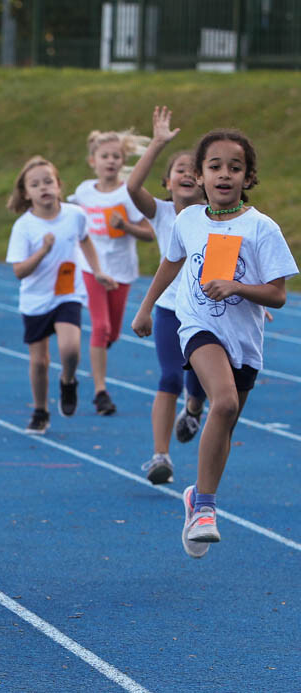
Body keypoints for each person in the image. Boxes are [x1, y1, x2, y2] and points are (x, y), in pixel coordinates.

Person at [132, 129, 297, 559]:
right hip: (197, 326)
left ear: (249, 177)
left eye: (235, 168)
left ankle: (196, 497)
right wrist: (146, 308)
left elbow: (278, 294)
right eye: (215, 166)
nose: (224, 174)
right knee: (222, 403)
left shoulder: (262, 228)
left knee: (226, 420)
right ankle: (205, 508)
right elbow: (170, 264)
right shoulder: (188, 221)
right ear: (200, 175)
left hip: (244, 340)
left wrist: (238, 287)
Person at [125, 107, 207, 484]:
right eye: (180, 169)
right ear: (167, 182)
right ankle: (161, 456)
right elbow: (131, 187)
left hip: (206, 311)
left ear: (205, 182)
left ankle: (194, 406)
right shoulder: (160, 213)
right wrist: (158, 143)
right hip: (169, 309)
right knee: (170, 377)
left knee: (199, 381)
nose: (187, 174)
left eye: (194, 170)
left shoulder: (214, 216)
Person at [6, 156, 117, 434]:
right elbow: (19, 271)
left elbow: (85, 240)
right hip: (36, 300)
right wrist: (42, 251)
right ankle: (40, 410)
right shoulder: (24, 226)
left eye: (48, 181)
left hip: (68, 293)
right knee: (39, 362)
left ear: (58, 185)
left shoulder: (75, 215)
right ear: (26, 193)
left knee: (70, 349)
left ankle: (68, 380)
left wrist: (97, 270)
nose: (43, 187)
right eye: (35, 184)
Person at [69, 129, 153, 416]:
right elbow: (70, 216)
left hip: (121, 270)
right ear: (93, 161)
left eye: (116, 156)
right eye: (105, 156)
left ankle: (99, 362)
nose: (111, 161)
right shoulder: (84, 191)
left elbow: (149, 234)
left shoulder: (129, 193)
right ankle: (100, 392)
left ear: (123, 160)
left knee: (112, 334)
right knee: (101, 327)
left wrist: (126, 226)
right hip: (92, 268)